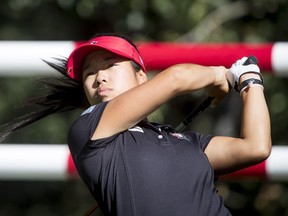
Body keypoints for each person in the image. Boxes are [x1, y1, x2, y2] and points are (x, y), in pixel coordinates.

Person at [0, 33, 271, 216]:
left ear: (141, 76)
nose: (99, 78)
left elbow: (255, 147)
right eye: (89, 73)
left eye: (110, 65)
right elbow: (177, 78)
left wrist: (250, 81)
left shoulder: (190, 142)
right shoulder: (89, 128)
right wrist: (221, 75)